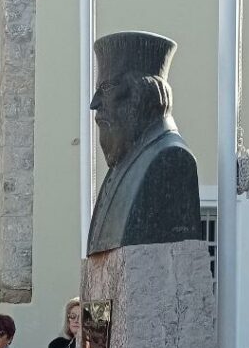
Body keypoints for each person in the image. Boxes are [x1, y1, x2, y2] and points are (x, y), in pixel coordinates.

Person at [86, 31, 201, 256]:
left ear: (142, 92)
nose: (94, 103)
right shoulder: (125, 161)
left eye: (107, 88)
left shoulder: (171, 159)